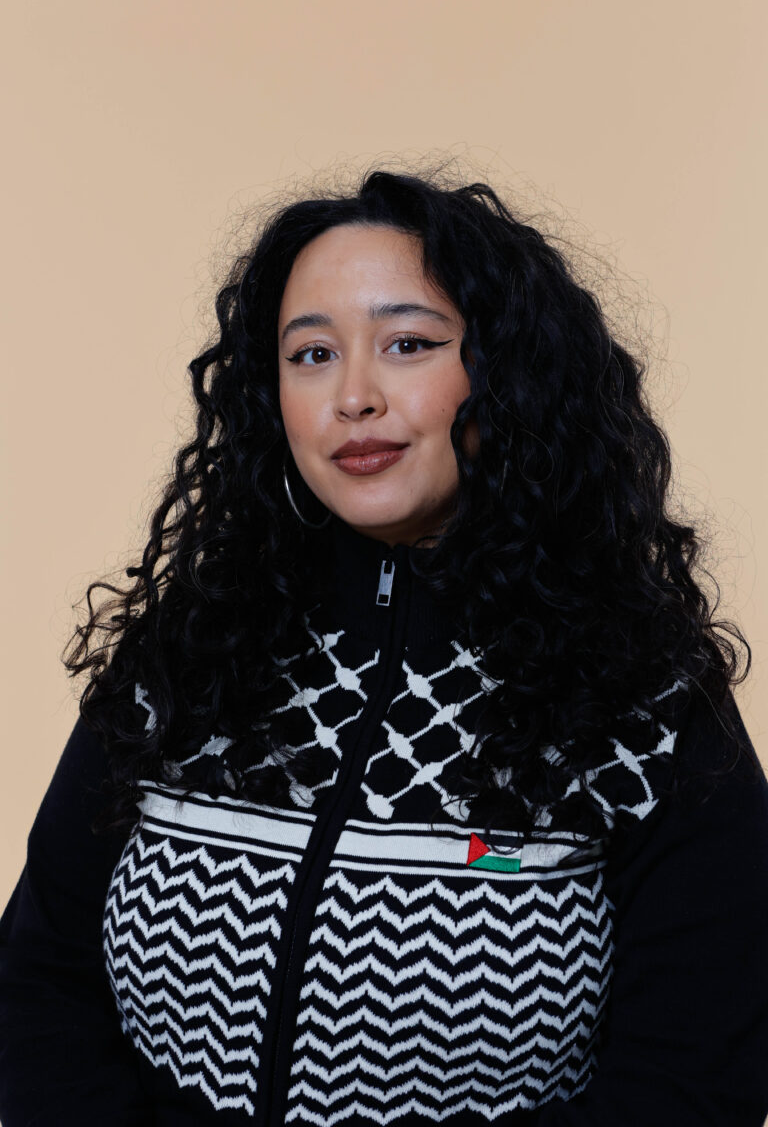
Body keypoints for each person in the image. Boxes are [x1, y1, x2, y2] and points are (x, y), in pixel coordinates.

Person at [1, 167, 767, 1127]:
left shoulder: (644, 699)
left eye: (409, 344)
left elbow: (691, 1080)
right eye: (312, 354)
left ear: (508, 372)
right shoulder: (186, 655)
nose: (353, 396)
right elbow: (40, 979)